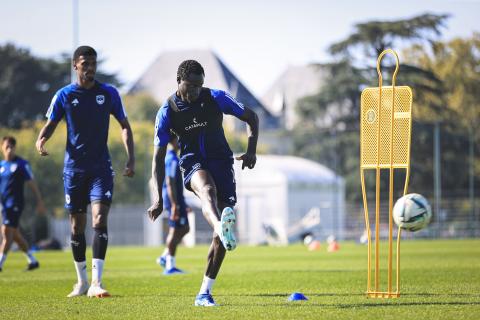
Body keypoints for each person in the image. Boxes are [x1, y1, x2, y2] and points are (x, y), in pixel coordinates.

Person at [147, 60, 258, 306]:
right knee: (207, 191)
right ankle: (220, 226)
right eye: (191, 85)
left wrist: (251, 151)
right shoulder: (167, 110)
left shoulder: (216, 97)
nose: (196, 90)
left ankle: (204, 293)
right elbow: (157, 157)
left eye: (199, 85)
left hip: (222, 161)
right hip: (192, 162)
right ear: (179, 82)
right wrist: (157, 198)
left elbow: (251, 117)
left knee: (221, 234)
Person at [35, 46, 135, 298]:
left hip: (101, 169)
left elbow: (124, 125)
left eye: (93, 63)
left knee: (99, 220)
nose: (90, 68)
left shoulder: (109, 93)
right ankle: (81, 282)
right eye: (85, 63)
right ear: (75, 66)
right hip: (74, 170)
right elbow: (50, 124)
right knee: (77, 226)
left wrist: (130, 158)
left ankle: (97, 283)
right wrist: (40, 140)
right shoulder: (64, 95)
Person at [0, 136, 46, 272]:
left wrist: (40, 201)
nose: (9, 149)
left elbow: (32, 183)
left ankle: (0, 264)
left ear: (15, 148)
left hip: (15, 203)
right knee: (14, 234)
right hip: (4, 205)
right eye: (6, 147)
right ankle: (32, 261)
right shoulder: (1, 166)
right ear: (2, 147)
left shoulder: (21, 164)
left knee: (6, 232)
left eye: (11, 147)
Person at [155, 135, 190, 275]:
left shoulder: (173, 157)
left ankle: (164, 256)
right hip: (173, 199)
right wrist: (175, 204)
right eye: (179, 140)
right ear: (174, 141)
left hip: (177, 199)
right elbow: (169, 182)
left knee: (185, 228)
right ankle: (170, 265)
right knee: (174, 230)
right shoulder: (172, 159)